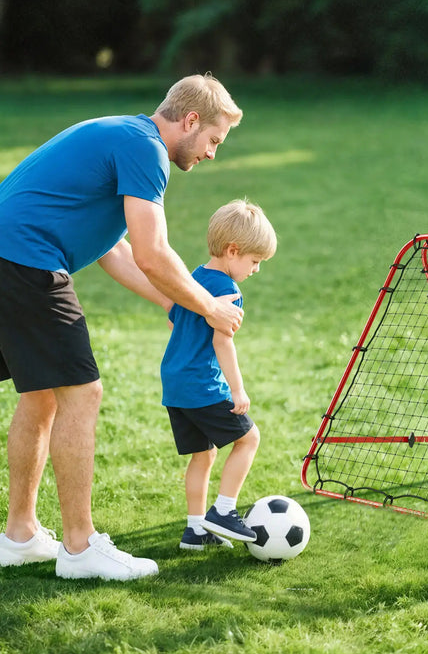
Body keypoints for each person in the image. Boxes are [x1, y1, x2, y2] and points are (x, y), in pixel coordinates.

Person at [0, 73, 245, 580]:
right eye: (214, 140)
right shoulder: (145, 148)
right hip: (25, 260)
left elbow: (116, 251)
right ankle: (80, 547)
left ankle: (19, 535)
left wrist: (178, 306)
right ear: (191, 120)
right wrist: (210, 308)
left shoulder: (122, 135)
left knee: (44, 392)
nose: (212, 154)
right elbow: (154, 254)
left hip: (11, 257)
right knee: (81, 392)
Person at [160, 199, 276, 550]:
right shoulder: (228, 291)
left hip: (175, 382)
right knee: (249, 439)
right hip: (201, 383)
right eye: (254, 262)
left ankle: (195, 531)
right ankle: (223, 511)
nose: (255, 270)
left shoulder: (192, 279)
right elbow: (223, 343)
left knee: (204, 453)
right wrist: (238, 391)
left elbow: (173, 319)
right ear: (232, 250)